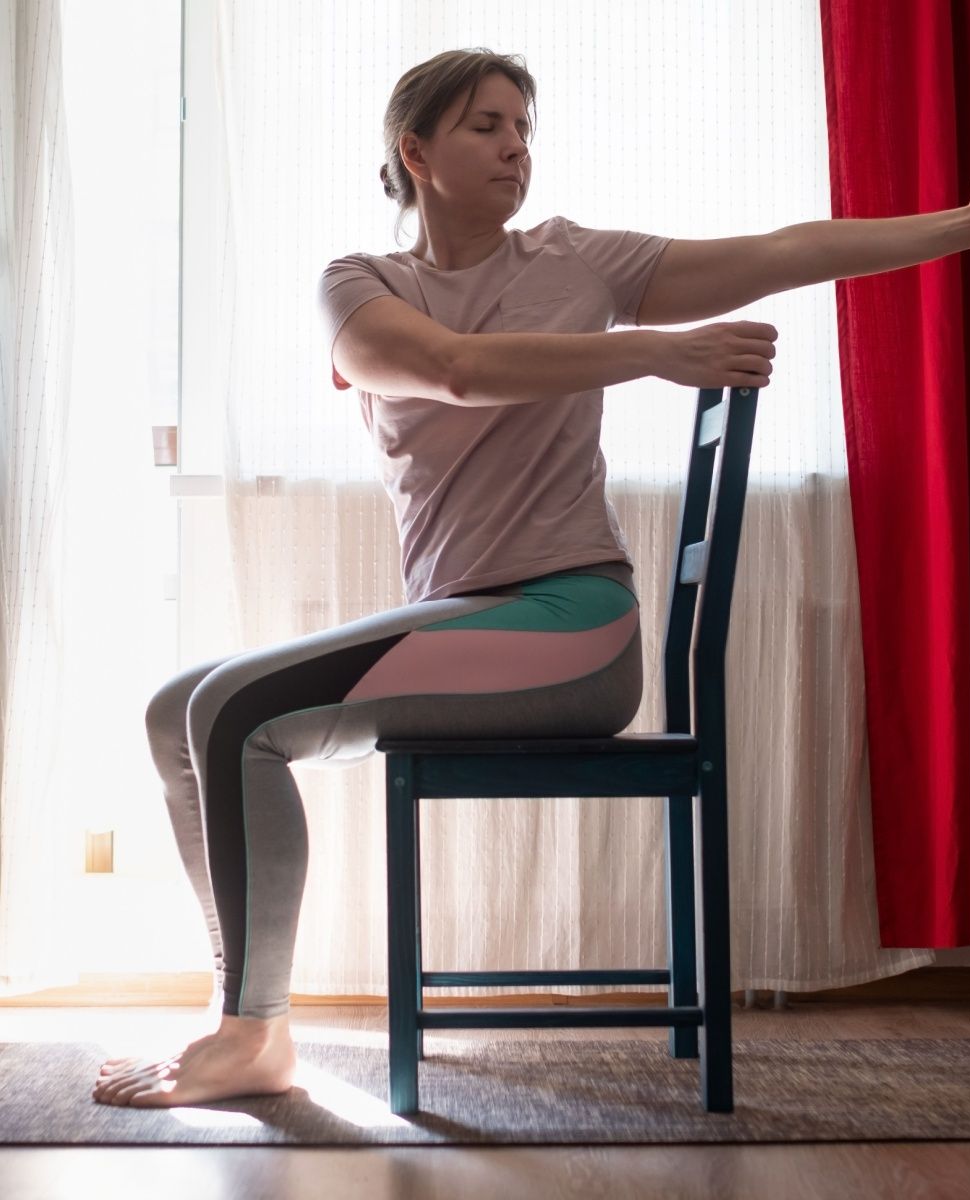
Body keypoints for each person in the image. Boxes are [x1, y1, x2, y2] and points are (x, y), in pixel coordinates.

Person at [91, 48, 669, 1109]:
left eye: (523, 128)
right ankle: (243, 1005)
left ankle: (252, 1034)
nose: (516, 147)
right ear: (417, 150)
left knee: (232, 710)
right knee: (178, 709)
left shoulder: (578, 261)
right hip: (475, 619)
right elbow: (456, 370)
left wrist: (960, 228)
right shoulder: (363, 287)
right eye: (488, 126)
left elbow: (782, 249)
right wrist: (649, 353)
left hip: (575, 629)